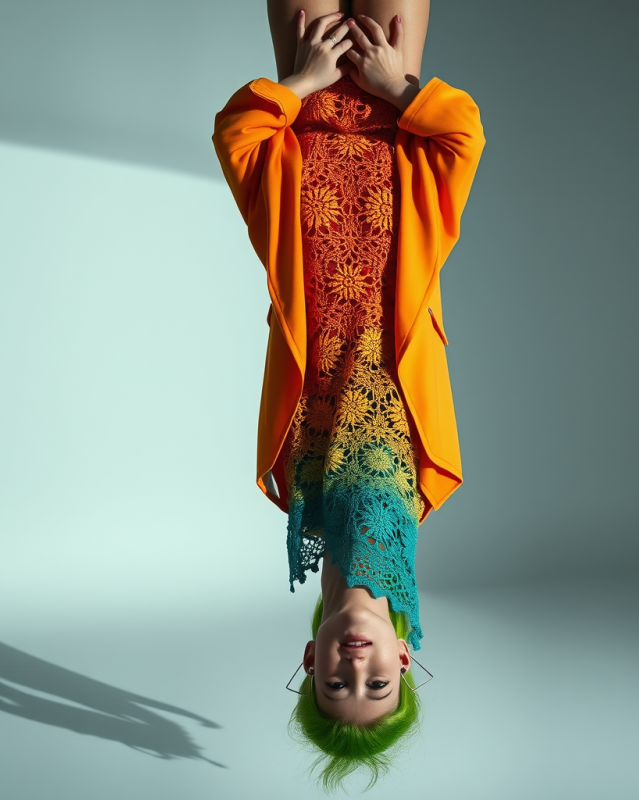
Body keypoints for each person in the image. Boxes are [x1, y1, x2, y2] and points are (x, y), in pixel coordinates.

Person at [212, 1, 484, 789]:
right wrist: (400, 89)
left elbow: (237, 137)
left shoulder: (295, 487)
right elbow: (463, 135)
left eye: (334, 686)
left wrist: (298, 84)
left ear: (311, 657)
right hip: (390, 102)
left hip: (316, 92)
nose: (355, 670)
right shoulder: (413, 488)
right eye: (379, 685)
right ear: (407, 655)